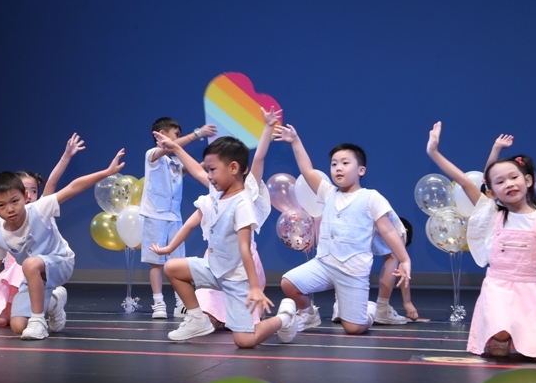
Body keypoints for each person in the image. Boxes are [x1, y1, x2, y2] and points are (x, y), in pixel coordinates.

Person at [0, 149, 125, 340]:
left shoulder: (39, 209)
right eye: (1, 205)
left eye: (15, 201)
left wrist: (106, 172)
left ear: (25, 197)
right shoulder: (0, 234)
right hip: (33, 276)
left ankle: (38, 321)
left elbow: (73, 187)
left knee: (30, 264)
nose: (10, 209)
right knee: (18, 326)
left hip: (60, 263)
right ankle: (54, 302)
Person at [426, 121, 536, 360]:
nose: (508, 184)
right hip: (499, 284)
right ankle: (501, 336)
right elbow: (466, 181)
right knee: (499, 340)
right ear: (491, 191)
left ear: (528, 180)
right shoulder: (492, 214)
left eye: (513, 177)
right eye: (500, 182)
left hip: (533, 287)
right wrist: (434, 152)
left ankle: (528, 337)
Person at [150, 136, 294, 349]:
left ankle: (285, 318)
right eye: (208, 170)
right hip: (214, 268)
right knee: (172, 267)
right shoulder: (217, 194)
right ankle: (197, 319)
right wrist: (175, 148)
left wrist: (254, 287)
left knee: (244, 341)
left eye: (212, 170)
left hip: (237, 278)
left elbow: (244, 247)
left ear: (234, 168)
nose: (208, 175)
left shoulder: (243, 204)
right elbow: (196, 171)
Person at [272, 123, 411, 341]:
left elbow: (388, 231)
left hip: (352, 272)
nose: (338, 168)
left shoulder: (372, 197)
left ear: (361, 170)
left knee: (353, 329)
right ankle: (308, 313)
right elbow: (307, 170)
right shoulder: (328, 192)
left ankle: (369, 312)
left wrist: (404, 260)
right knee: (288, 283)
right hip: (324, 264)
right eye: (334, 164)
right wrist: (295, 140)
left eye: (345, 163)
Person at [0, 133, 84, 327]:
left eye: (33, 190)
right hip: (21, 271)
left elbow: (52, 182)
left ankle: (46, 310)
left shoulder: (41, 208)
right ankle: (46, 306)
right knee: (14, 325)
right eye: (24, 190)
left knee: (32, 269)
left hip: (43, 265)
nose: (29, 195)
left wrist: (66, 156)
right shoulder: (3, 220)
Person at [140, 117, 217, 319]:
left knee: (177, 261)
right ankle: (158, 303)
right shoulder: (152, 155)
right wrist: (198, 134)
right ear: (162, 135)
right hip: (155, 215)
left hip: (174, 216)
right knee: (156, 262)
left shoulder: (174, 162)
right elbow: (168, 148)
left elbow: (192, 168)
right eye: (176, 135)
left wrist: (213, 159)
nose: (178, 139)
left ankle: (181, 302)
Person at [330, 214, 419, 324]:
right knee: (393, 257)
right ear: (405, 230)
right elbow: (403, 269)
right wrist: (407, 302)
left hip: (352, 221)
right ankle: (382, 308)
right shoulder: (398, 227)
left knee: (349, 255)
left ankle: (341, 307)